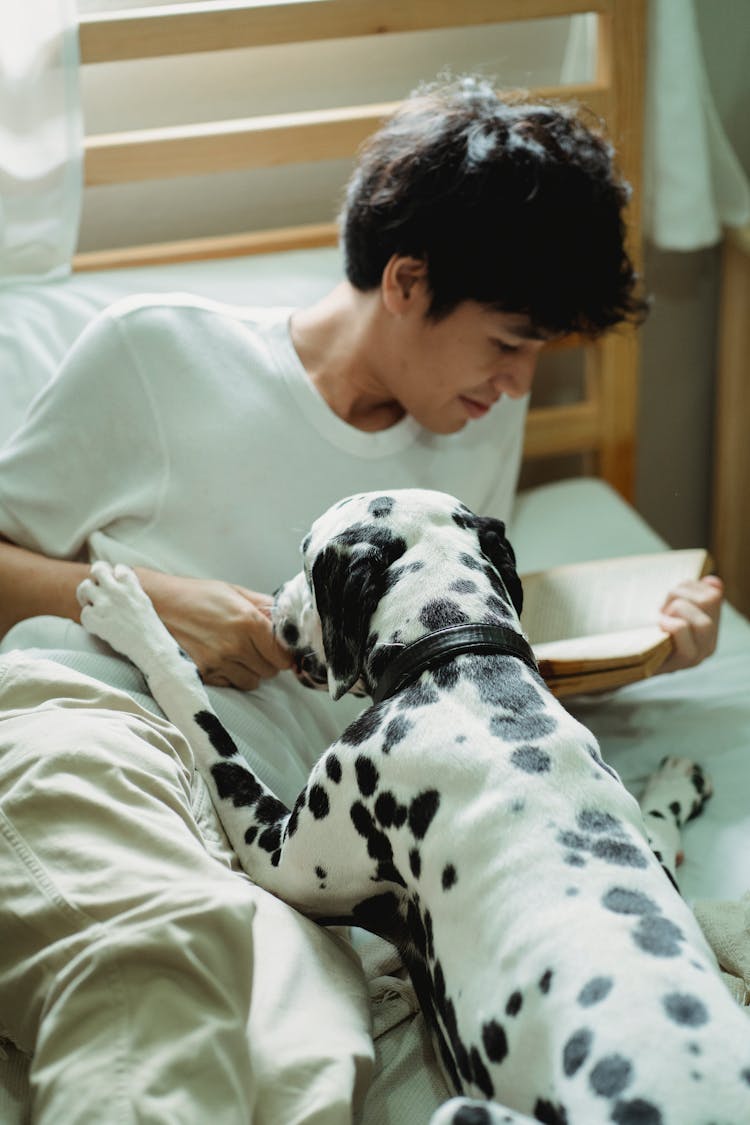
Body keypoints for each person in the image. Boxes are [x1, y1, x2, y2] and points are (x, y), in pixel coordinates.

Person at [0, 77, 722, 1124]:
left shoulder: (472, 422)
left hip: (309, 838)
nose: (518, 386)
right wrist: (159, 605)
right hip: (106, 732)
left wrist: (638, 651)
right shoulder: (158, 353)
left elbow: (434, 670)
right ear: (405, 282)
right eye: (509, 343)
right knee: (159, 968)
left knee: (310, 1061)